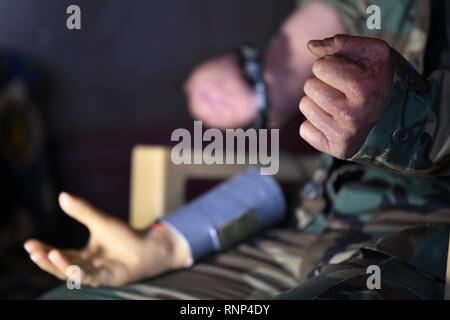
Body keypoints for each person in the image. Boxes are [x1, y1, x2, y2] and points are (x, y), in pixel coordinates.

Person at [25, 0, 450, 299]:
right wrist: (261, 81)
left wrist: (406, 119)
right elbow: (338, 18)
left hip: (419, 249)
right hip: (311, 223)